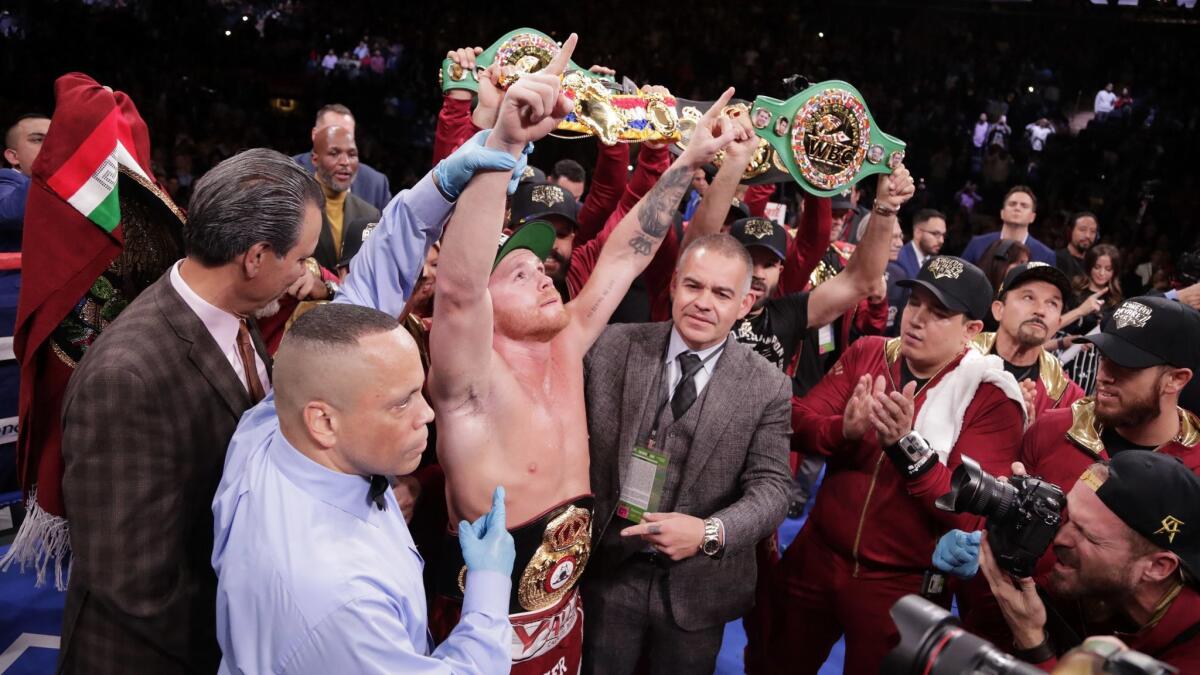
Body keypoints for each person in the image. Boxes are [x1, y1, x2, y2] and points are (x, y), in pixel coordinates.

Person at [55, 125, 513, 673]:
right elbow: (130, 584)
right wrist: (263, 627)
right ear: (255, 257)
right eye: (301, 259)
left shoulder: (239, 337)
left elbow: (362, 298)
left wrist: (438, 187)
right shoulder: (126, 374)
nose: (309, 277)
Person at [425, 35, 741, 673]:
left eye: (543, 268)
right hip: (490, 628)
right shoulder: (468, 377)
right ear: (483, 300)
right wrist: (506, 141)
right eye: (520, 273)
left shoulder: (566, 341)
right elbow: (458, 291)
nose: (546, 276)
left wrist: (686, 161)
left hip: (566, 616)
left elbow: (629, 252)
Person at [212, 303, 515, 675]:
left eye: (420, 392)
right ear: (323, 422)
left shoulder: (269, 424)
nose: (427, 414)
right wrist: (488, 588)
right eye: (402, 402)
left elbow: (358, 305)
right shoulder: (340, 601)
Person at [770, 255, 1026, 675]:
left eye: (939, 313)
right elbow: (795, 421)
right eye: (915, 304)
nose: (917, 319)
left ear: (972, 330)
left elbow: (968, 511)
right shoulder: (868, 352)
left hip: (904, 587)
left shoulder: (992, 396)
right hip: (817, 556)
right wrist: (843, 431)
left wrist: (908, 448)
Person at [975, 452, 1200, 671]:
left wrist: (1032, 641)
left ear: (1157, 567)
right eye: (1067, 516)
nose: (1060, 539)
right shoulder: (1097, 583)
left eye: (1088, 536)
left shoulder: (1190, 656)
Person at [973, 263, 1085, 419]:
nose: (1040, 310)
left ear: (1058, 323)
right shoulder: (953, 358)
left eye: (1052, 303)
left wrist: (1033, 435)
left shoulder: (1069, 399)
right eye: (1028, 297)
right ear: (999, 310)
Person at [292, 104, 392, 211]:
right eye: (333, 133)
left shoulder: (376, 184)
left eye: (347, 135)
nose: (342, 141)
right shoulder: (288, 173)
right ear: (315, 135)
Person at [309, 125, 381, 272]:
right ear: (315, 159)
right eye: (334, 153)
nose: (345, 162)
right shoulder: (295, 206)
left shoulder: (369, 214)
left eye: (352, 154)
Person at [1057, 243, 1124, 395]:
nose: (1102, 273)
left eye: (1108, 269)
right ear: (1089, 267)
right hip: (1064, 352)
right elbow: (1059, 322)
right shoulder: (1073, 291)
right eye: (1097, 267)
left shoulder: (1115, 300)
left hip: (1094, 362)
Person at [961, 186, 1056, 266]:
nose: (1017, 208)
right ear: (1002, 213)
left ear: (1032, 217)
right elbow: (960, 279)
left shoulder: (1045, 255)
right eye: (1012, 204)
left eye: (1024, 206)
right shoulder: (977, 244)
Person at [0, 114, 49, 250]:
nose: (52, 145)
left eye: (55, 139)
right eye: (38, 139)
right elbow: (10, 215)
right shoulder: (5, 179)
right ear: (14, 156)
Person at [897, 208, 946, 280]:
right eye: (935, 234)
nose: (941, 241)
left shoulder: (939, 264)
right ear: (918, 233)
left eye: (943, 235)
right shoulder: (899, 258)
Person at [1054, 212, 1098, 281]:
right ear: (1070, 231)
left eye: (1093, 231)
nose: (1088, 236)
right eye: (1082, 230)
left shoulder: (1095, 264)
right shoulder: (1055, 258)